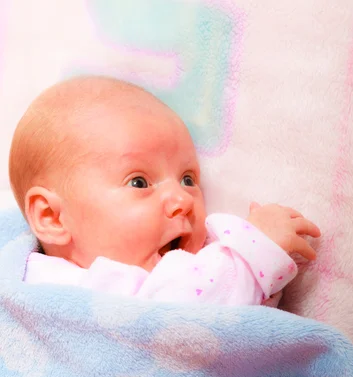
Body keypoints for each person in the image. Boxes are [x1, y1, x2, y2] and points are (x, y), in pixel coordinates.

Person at [9, 76, 321, 305]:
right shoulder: (74, 290)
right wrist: (254, 252)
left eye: (188, 179)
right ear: (52, 217)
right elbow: (185, 313)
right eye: (139, 182)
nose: (183, 200)